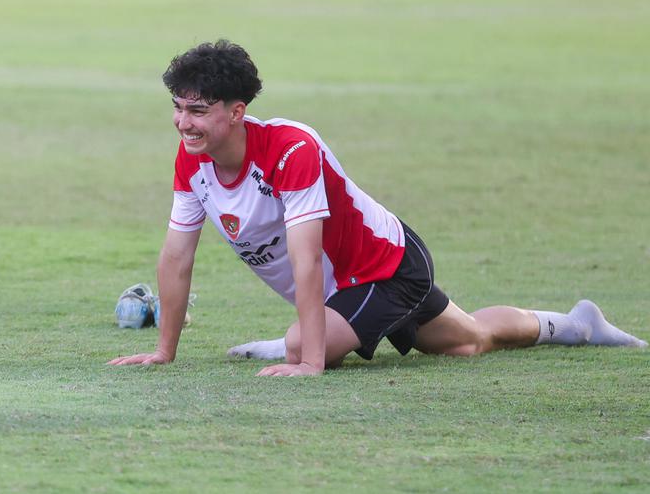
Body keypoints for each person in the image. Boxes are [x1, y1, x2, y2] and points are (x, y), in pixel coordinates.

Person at [109, 40, 645, 375]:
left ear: (237, 112)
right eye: (178, 109)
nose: (184, 123)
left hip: (387, 268)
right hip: (351, 289)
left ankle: (298, 341)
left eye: (198, 111)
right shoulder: (193, 159)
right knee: (467, 343)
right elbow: (176, 259)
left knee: (300, 345)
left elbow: (306, 259)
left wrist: (311, 358)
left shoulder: (292, 148)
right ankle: (576, 325)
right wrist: (164, 351)